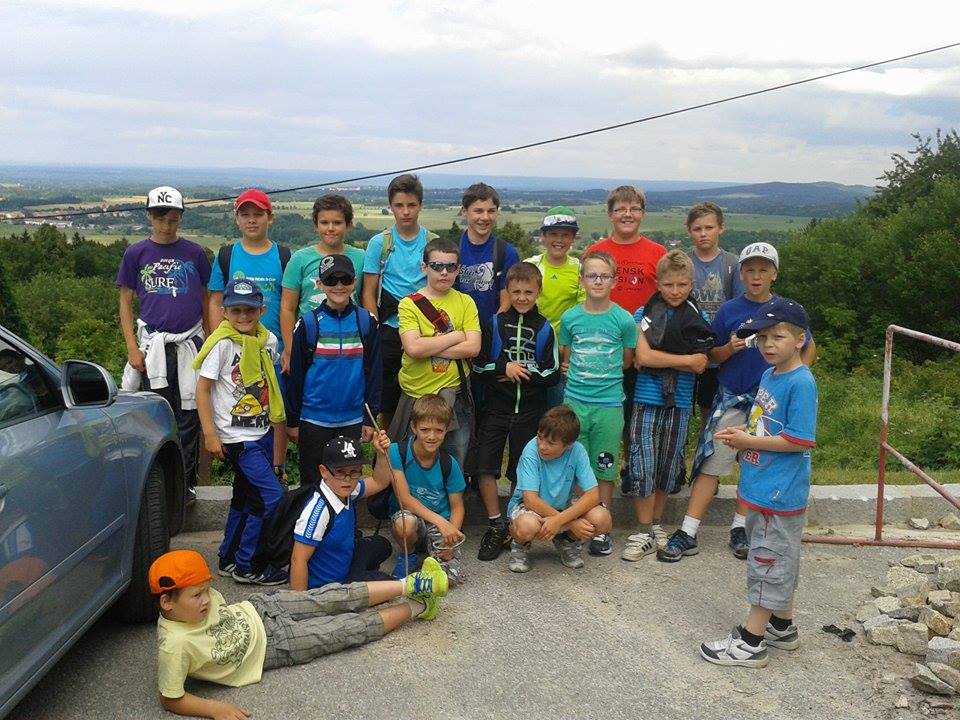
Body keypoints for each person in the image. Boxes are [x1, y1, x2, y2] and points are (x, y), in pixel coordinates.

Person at [658, 243, 817, 563]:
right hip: (732, 394)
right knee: (712, 460)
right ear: (740, 273)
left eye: (763, 270)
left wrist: (791, 380)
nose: (756, 276)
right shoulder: (730, 310)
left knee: (755, 462)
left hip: (767, 401)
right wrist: (729, 348)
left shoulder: (786, 311)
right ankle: (688, 530)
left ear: (774, 274)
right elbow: (712, 354)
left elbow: (808, 347)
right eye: (750, 270)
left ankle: (740, 527)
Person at [152, 549, 447, 720]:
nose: (206, 599)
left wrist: (204, 596)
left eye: (206, 591)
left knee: (333, 595)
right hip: (273, 647)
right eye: (197, 596)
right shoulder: (175, 644)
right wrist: (215, 710)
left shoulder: (192, 604)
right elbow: (170, 698)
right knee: (344, 630)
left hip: (261, 607)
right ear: (167, 602)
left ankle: (412, 584)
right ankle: (419, 606)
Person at [700, 298, 817, 667]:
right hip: (762, 484)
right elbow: (764, 425)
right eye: (762, 337)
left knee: (767, 560)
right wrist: (745, 435)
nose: (768, 344)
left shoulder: (801, 382)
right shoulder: (770, 375)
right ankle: (781, 626)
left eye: (777, 337)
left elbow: (798, 440)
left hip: (779, 492)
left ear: (799, 340)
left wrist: (748, 442)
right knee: (777, 556)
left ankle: (751, 642)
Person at [117, 186, 211, 500]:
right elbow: (125, 302)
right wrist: (132, 347)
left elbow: (206, 298)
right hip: (153, 348)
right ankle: (155, 487)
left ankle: (183, 485)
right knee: (154, 416)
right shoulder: (136, 253)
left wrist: (209, 340)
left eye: (172, 219)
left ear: (180, 218)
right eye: (160, 218)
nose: (166, 226)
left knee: (188, 417)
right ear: (149, 216)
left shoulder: (195, 253)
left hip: (189, 346)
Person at [194, 279, 287, 585]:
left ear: (262, 310)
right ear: (224, 312)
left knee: (245, 496)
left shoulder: (268, 341)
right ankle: (250, 565)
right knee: (270, 497)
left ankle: (229, 557)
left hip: (260, 430)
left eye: (250, 310)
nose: (243, 316)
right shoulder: (221, 344)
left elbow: (268, 382)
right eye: (236, 310)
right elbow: (203, 390)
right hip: (236, 438)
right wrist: (210, 434)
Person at [621, 251, 713, 561]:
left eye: (682, 285)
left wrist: (669, 360)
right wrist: (685, 359)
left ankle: (656, 524)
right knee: (643, 463)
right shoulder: (641, 314)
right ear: (658, 284)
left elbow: (701, 363)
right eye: (669, 285)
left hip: (681, 402)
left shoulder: (700, 318)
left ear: (691, 284)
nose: (675, 291)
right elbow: (643, 357)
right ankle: (643, 529)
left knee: (667, 465)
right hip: (646, 399)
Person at [473, 262, 560, 562]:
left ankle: (514, 521)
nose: (522, 297)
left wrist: (521, 373)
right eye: (516, 292)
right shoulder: (494, 323)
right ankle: (496, 524)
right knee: (485, 466)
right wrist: (503, 367)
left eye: (528, 292)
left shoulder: (546, 328)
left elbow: (552, 373)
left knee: (519, 471)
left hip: (530, 411)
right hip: (496, 408)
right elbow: (478, 365)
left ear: (538, 292)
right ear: (507, 292)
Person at [586, 186, 667, 493]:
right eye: (620, 208)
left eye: (634, 209)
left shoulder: (657, 253)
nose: (627, 214)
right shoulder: (596, 252)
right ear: (610, 214)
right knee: (607, 413)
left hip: (645, 346)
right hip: (603, 348)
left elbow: (665, 300)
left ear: (643, 214)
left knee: (637, 413)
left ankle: (633, 468)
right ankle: (598, 470)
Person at [558, 252, 637, 557]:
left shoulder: (624, 320)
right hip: (575, 403)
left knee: (604, 467)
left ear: (614, 281)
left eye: (604, 276)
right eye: (592, 275)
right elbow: (566, 357)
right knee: (577, 466)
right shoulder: (570, 318)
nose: (598, 281)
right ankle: (579, 524)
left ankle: (602, 528)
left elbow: (627, 361)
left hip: (608, 406)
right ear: (582, 281)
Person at [286, 254, 381, 490]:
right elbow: (296, 377)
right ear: (319, 284)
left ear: (354, 282)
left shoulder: (366, 322)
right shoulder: (308, 324)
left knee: (347, 480)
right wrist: (293, 421)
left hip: (352, 419)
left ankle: (345, 517)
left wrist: (369, 418)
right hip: (313, 420)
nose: (339, 286)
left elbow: (374, 373)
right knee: (312, 483)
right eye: (331, 280)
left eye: (345, 279)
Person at [387, 237, 481, 469]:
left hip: (454, 395)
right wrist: (456, 336)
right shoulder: (409, 304)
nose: (444, 272)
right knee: (412, 462)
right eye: (437, 266)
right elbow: (413, 349)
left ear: (458, 270)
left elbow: (473, 348)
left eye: (450, 266)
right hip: (416, 394)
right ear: (424, 267)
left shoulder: (466, 302)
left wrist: (428, 345)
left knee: (455, 460)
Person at [362, 174, 437, 429]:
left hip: (425, 331)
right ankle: (389, 448)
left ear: (420, 205)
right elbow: (369, 292)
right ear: (391, 206)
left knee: (425, 399)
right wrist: (374, 330)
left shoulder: (431, 243)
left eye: (411, 205)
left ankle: (420, 448)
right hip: (388, 329)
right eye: (399, 205)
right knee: (389, 402)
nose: (405, 212)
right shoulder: (380, 244)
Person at [506, 406, 613, 573]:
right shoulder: (531, 450)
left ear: (568, 445)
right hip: (531, 509)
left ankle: (567, 541)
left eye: (550, 443)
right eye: (540, 437)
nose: (542, 446)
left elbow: (593, 495)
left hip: (563, 507)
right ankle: (520, 545)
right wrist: (570, 523)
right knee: (526, 526)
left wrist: (559, 521)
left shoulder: (577, 451)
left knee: (602, 519)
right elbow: (530, 500)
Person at [291, 434, 397, 590]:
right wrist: (300, 600)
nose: (347, 479)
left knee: (382, 545)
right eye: (340, 472)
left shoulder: (347, 491)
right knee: (392, 585)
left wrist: (381, 455)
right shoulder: (319, 511)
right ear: (324, 471)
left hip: (346, 562)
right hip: (329, 587)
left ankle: (364, 576)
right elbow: (298, 560)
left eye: (354, 471)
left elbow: (379, 482)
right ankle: (363, 582)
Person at [279, 194, 365, 371]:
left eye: (337, 223)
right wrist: (290, 350)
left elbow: (366, 300)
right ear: (315, 225)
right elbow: (287, 307)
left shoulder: (361, 258)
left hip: (351, 343)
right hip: (309, 342)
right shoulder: (300, 259)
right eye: (324, 223)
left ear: (348, 225)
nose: (330, 228)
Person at [388, 394, 467, 584]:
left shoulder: (449, 464)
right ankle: (409, 554)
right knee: (405, 522)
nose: (432, 436)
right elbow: (404, 498)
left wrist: (451, 536)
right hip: (413, 518)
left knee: (447, 579)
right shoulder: (397, 452)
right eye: (424, 429)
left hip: (439, 525)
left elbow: (457, 507)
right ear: (413, 427)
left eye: (439, 430)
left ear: (446, 429)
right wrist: (441, 522)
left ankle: (435, 556)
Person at [207, 189, 289, 355]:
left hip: (274, 352)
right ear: (237, 219)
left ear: (270, 218)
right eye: (245, 215)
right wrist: (217, 345)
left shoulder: (285, 257)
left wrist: (288, 349)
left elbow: (289, 306)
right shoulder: (225, 256)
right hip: (233, 352)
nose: (251, 220)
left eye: (258, 214)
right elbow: (216, 303)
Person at [685, 202, 745, 429]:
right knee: (683, 409)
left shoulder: (732, 264)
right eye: (697, 229)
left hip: (720, 351)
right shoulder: (684, 262)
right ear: (689, 231)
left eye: (709, 227)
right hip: (687, 349)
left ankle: (708, 449)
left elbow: (739, 306)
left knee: (711, 412)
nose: (703, 234)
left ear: (721, 228)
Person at [526, 206, 584, 408]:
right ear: (543, 236)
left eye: (565, 235)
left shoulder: (579, 270)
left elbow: (583, 314)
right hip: (531, 349)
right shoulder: (530, 266)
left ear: (573, 238)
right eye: (553, 234)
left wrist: (568, 351)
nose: (559, 240)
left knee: (557, 410)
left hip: (564, 355)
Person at [455, 182, 520, 326]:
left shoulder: (506, 253)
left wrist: (493, 330)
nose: (485, 217)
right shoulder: (451, 250)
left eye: (491, 211)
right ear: (464, 212)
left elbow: (507, 300)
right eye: (478, 211)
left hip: (494, 331)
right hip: (457, 332)